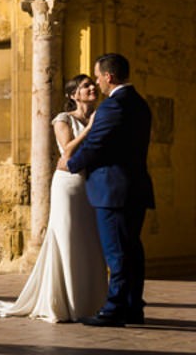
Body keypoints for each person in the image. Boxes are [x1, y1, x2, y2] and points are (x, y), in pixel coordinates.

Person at [0, 74, 106, 322]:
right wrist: (89, 128)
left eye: (92, 84)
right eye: (85, 86)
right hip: (68, 186)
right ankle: (66, 304)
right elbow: (67, 151)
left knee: (88, 241)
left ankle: (90, 303)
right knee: (67, 238)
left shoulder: (101, 116)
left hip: (91, 184)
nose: (91, 88)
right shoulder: (62, 119)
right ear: (73, 95)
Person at [66, 52, 154, 326]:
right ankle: (133, 307)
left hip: (113, 190)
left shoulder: (113, 106)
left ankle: (114, 309)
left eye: (97, 76)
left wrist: (71, 164)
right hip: (135, 188)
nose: (96, 82)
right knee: (132, 251)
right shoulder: (140, 104)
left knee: (116, 252)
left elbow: (96, 144)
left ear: (108, 76)